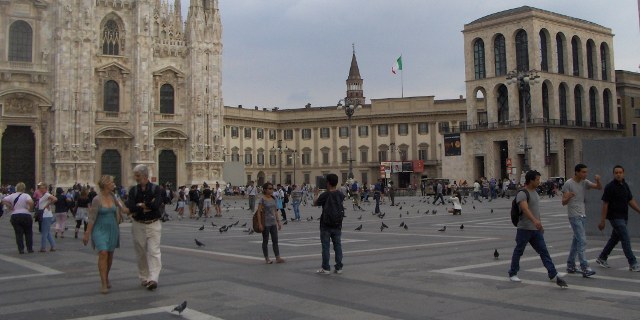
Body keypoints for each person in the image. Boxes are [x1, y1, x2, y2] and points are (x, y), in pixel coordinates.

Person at [508, 170, 568, 288]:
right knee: (519, 251)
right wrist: (535, 221)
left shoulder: (535, 192)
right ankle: (513, 273)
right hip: (524, 228)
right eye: (537, 180)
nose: (539, 182)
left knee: (543, 251)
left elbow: (536, 211)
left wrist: (540, 224)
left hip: (535, 230)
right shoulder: (522, 193)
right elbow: (525, 209)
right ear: (531, 180)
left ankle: (552, 273)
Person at [83, 175, 127, 294]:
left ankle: (106, 277)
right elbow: (92, 218)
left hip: (112, 228)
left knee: (110, 255)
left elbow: (124, 209)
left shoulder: (114, 197)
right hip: (99, 228)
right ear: (106, 184)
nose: (114, 184)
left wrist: (138, 207)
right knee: (103, 252)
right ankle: (103, 283)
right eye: (112, 182)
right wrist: (87, 233)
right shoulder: (97, 199)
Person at [125, 164, 163, 291]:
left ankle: (153, 279)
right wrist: (146, 205)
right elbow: (130, 207)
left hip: (153, 223)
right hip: (138, 224)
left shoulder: (156, 189)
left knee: (154, 251)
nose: (135, 178)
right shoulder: (133, 191)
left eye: (137, 176)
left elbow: (156, 205)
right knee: (141, 252)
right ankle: (144, 277)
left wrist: (140, 205)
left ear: (145, 176)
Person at [595, 165, 640, 272]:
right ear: (613, 174)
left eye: (620, 172)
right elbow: (605, 204)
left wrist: (639, 210)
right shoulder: (610, 187)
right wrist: (602, 221)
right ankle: (633, 263)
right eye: (616, 173)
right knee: (625, 238)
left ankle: (602, 257)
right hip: (615, 218)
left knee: (615, 239)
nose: (618, 174)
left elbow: (630, 200)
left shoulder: (625, 185)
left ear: (623, 173)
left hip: (624, 217)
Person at [561, 163, 601, 277]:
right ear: (577, 172)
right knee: (582, 240)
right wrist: (568, 196)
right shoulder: (568, 183)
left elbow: (598, 187)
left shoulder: (585, 182)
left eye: (586, 172)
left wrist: (598, 180)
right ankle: (584, 267)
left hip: (583, 214)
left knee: (577, 240)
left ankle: (570, 265)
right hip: (574, 215)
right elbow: (563, 202)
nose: (585, 174)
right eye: (583, 172)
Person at [314, 173, 345, 274]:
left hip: (326, 224)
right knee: (338, 246)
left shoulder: (325, 195)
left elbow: (315, 203)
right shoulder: (340, 194)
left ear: (327, 183)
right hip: (337, 224)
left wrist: (315, 194)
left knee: (326, 247)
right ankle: (339, 267)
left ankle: (326, 268)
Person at [256, 182, 285, 264]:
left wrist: (278, 222)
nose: (271, 190)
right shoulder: (262, 199)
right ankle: (267, 258)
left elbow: (275, 211)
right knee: (265, 241)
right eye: (269, 188)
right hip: (265, 223)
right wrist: (260, 224)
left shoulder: (274, 198)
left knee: (275, 240)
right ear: (265, 190)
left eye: (272, 188)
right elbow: (259, 212)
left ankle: (278, 257)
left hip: (273, 223)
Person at [2, 182, 35, 254]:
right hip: (26, 215)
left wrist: (10, 206)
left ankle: (21, 249)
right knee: (28, 233)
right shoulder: (26, 195)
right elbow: (31, 202)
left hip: (15, 215)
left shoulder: (12, 195)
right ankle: (30, 248)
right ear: (24, 188)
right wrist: (30, 209)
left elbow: (3, 200)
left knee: (18, 233)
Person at [37, 183, 57, 252]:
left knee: (44, 232)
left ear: (46, 189)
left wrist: (48, 205)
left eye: (43, 188)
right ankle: (53, 246)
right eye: (40, 188)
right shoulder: (43, 195)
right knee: (47, 232)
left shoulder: (47, 194)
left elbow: (55, 199)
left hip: (46, 215)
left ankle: (43, 247)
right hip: (44, 215)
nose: (41, 189)